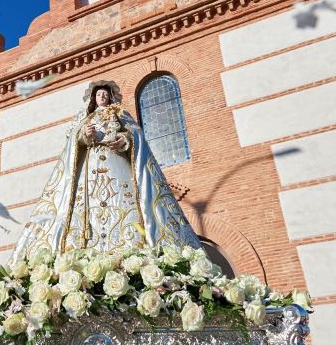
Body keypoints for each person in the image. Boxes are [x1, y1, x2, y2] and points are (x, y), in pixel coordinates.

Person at [12, 79, 202, 258]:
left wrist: (125, 140)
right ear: (93, 98)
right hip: (90, 167)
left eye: (104, 94)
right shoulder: (86, 118)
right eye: (98, 94)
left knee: (125, 203)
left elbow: (136, 134)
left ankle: (133, 246)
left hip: (116, 163)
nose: (102, 97)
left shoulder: (119, 114)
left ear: (110, 97)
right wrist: (84, 135)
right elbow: (72, 140)